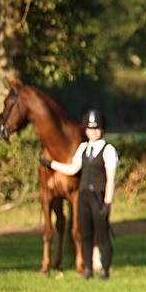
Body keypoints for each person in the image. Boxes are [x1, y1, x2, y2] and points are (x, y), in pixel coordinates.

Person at [41, 109, 117, 280]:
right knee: (85, 234)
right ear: (86, 130)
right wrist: (51, 164)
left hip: (99, 196)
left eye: (97, 128)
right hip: (83, 197)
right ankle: (88, 268)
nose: (94, 131)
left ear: (102, 129)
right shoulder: (83, 148)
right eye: (90, 129)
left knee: (102, 234)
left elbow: (111, 179)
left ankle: (104, 269)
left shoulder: (108, 150)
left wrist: (108, 202)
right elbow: (72, 169)